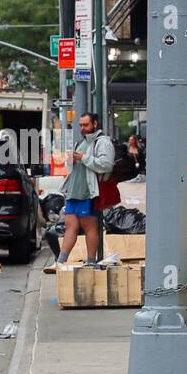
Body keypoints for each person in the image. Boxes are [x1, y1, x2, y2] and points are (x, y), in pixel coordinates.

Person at [51, 112, 114, 270]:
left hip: (88, 191)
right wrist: (70, 160)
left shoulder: (102, 142)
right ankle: (60, 261)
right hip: (73, 190)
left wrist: (83, 158)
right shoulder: (82, 142)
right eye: (80, 125)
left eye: (86, 125)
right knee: (70, 225)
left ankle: (91, 261)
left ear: (95, 124)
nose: (82, 128)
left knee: (89, 226)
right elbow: (72, 167)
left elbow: (106, 164)